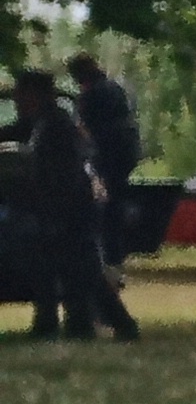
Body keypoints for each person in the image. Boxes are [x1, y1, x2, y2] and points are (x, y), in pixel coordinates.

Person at [10, 70, 135, 341]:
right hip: (67, 209)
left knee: (82, 272)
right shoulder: (46, 122)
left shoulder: (56, 126)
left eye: (20, 94)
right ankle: (73, 325)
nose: (17, 100)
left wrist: (53, 209)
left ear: (34, 95)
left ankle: (110, 324)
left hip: (71, 209)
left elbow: (62, 175)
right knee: (68, 271)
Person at [62, 51, 141, 263]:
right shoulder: (114, 88)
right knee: (115, 202)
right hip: (124, 152)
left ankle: (109, 253)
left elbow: (83, 129)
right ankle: (114, 252)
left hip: (107, 154)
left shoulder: (90, 95)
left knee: (106, 205)